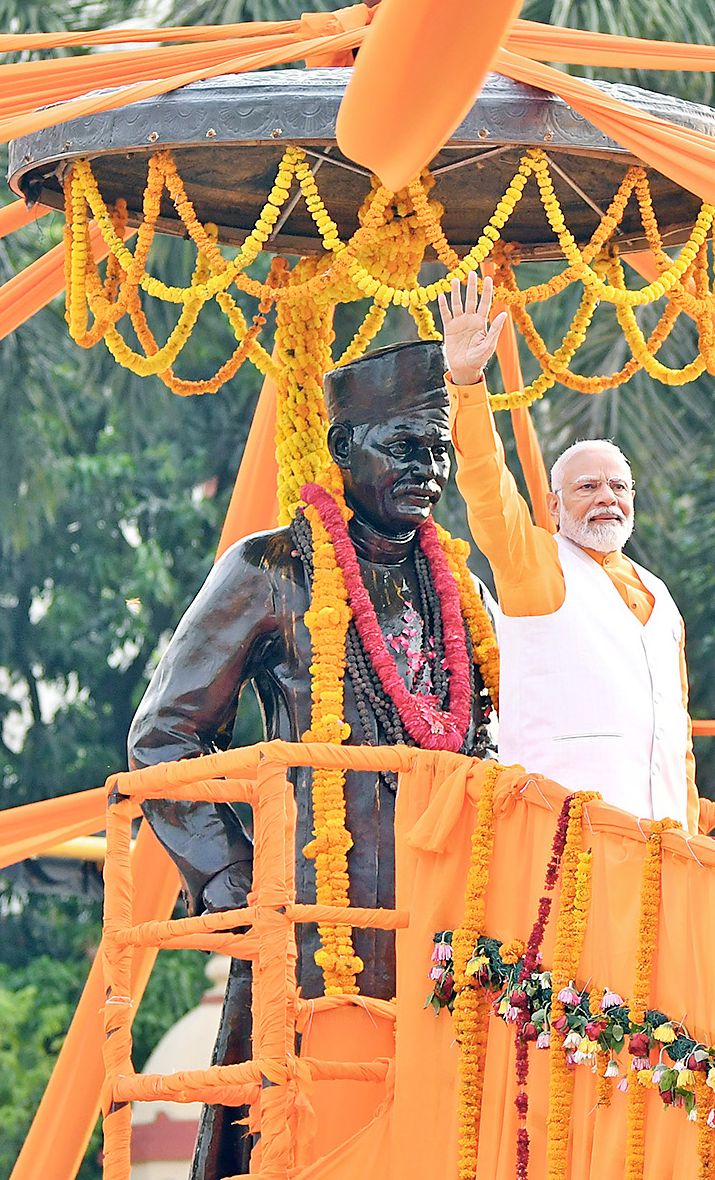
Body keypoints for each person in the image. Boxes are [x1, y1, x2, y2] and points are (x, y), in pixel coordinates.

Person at [127, 339, 494, 1180]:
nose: (428, 469)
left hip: (446, 931)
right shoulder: (270, 569)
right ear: (341, 447)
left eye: (439, 449)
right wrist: (238, 884)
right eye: (404, 445)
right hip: (314, 926)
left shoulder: (460, 591)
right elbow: (164, 734)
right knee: (295, 1141)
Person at [438, 271, 698, 830]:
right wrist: (467, 379)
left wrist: (694, 832)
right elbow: (487, 484)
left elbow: (676, 736)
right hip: (561, 843)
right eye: (587, 487)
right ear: (553, 507)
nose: (606, 498)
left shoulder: (660, 595)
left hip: (666, 849)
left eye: (618, 487)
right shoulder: (534, 563)